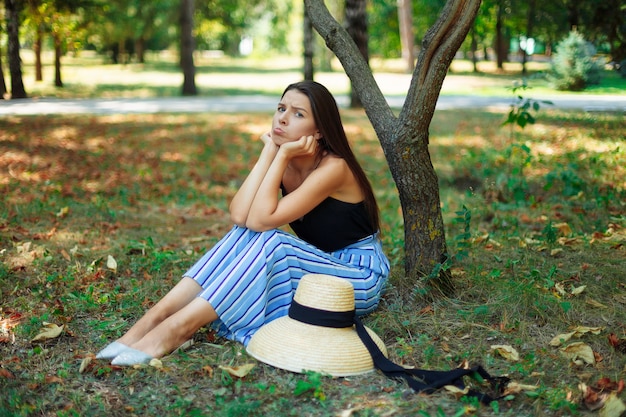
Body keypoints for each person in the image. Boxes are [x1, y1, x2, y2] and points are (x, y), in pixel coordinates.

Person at [96, 81, 390, 366]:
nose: (283, 119)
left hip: (356, 276)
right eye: (281, 108)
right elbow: (240, 216)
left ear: (320, 131)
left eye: (298, 114)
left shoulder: (333, 168)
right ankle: (155, 318)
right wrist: (270, 153)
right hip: (317, 266)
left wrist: (283, 152)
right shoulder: (284, 162)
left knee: (271, 239)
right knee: (245, 232)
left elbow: (262, 220)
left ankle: (178, 328)